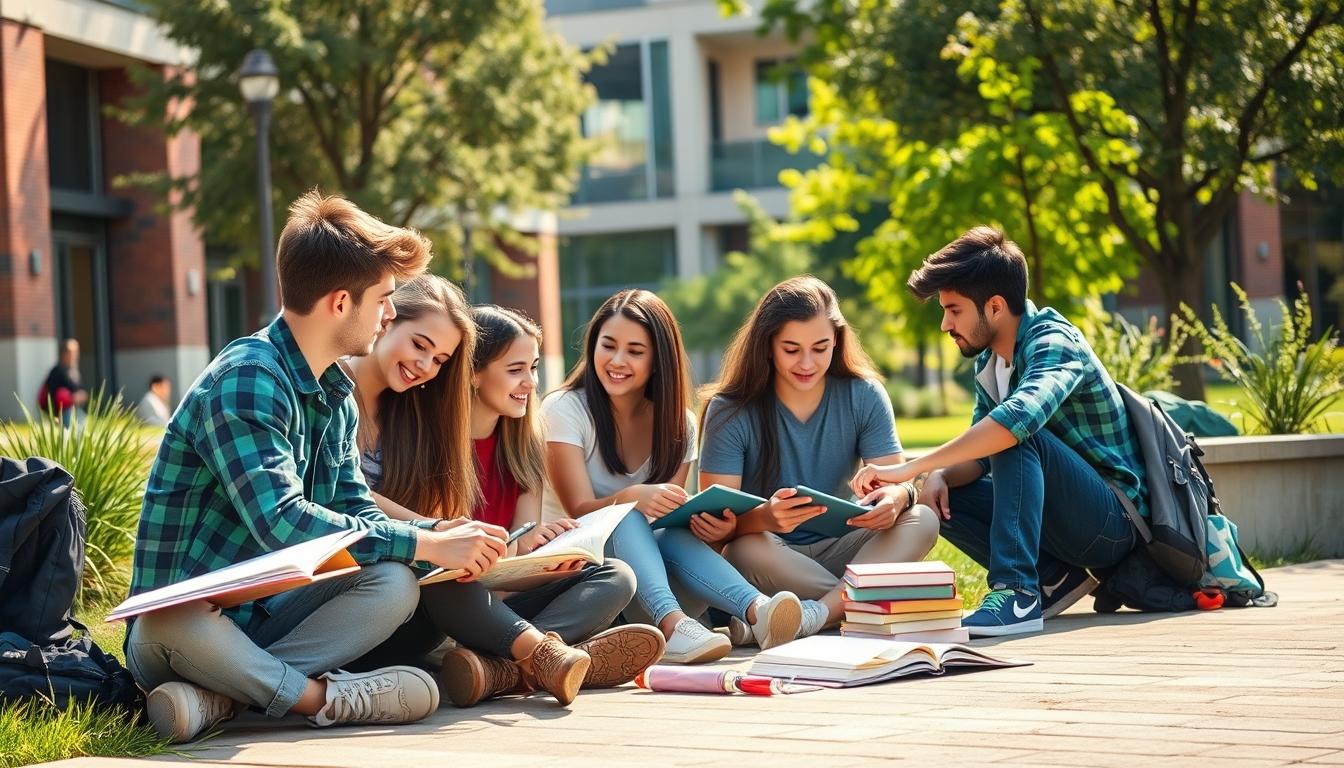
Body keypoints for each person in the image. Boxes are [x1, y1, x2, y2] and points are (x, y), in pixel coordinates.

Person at [125, 192, 511, 744]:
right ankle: (321, 699)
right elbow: (282, 523)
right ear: (338, 303)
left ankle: (225, 697)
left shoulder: (335, 394)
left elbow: (353, 506)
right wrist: (424, 544)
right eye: (383, 299)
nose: (389, 313)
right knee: (172, 621)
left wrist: (442, 535)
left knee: (393, 583)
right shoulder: (247, 379)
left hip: (265, 623)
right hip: (183, 629)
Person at [341, 284, 653, 707]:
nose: (530, 383)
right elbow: (435, 553)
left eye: (534, 368)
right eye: (515, 369)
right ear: (473, 372)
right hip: (429, 598)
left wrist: (547, 557)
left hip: (483, 592)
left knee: (615, 575)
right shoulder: (419, 430)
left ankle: (499, 670)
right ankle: (538, 658)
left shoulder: (523, 447)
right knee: (436, 572)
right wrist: (449, 538)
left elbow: (502, 563)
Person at [851, 227, 1144, 636]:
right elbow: (977, 454)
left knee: (1016, 433)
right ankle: (1051, 579)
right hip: (1064, 525)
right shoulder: (990, 362)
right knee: (946, 484)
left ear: (994, 307)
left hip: (1112, 524)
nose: (944, 324)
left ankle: (1017, 593)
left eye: (953, 310)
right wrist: (932, 476)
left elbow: (1015, 423)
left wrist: (907, 468)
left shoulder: (1054, 342)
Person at [543, 289, 807, 665]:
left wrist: (709, 522)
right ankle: (673, 627)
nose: (617, 361)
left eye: (635, 351)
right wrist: (633, 495)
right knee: (629, 514)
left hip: (649, 582)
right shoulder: (565, 409)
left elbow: (665, 524)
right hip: (581, 575)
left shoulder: (679, 424)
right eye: (608, 346)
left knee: (672, 529)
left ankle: (757, 610)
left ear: (658, 360)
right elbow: (580, 510)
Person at [698, 276, 940, 642]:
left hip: (846, 545)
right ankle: (862, 607)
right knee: (744, 549)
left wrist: (898, 497)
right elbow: (718, 527)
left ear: (837, 342)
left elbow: (897, 480)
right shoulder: (730, 410)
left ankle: (812, 615)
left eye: (821, 348)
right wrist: (765, 517)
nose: (807, 363)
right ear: (767, 346)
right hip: (772, 555)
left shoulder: (864, 395)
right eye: (791, 349)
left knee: (922, 519)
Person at [40, 338, 87, 425]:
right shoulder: (57, 370)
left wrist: (82, 395)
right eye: (72, 352)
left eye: (76, 352)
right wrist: (71, 398)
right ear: (64, 353)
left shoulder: (73, 370)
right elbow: (52, 393)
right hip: (63, 412)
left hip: (75, 409)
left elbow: (79, 389)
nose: (75, 355)